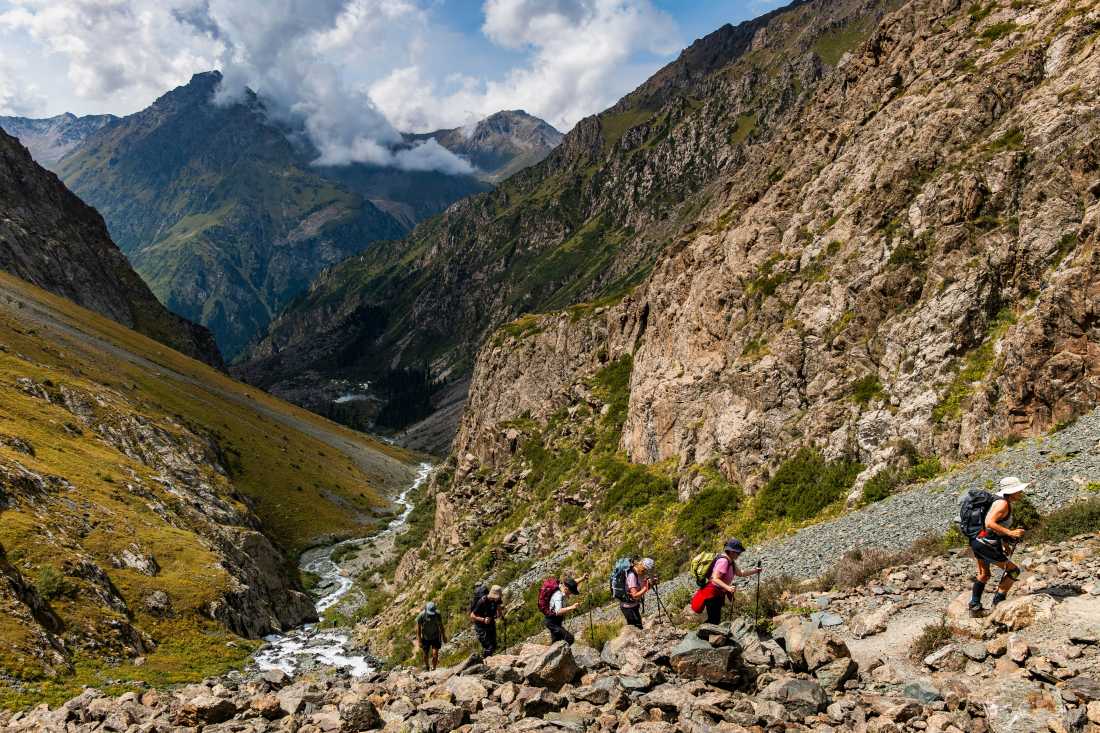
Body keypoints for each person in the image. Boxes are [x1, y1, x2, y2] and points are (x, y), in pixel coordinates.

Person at [968, 477, 1027, 617]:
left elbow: (991, 526)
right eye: (1018, 490)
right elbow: (990, 523)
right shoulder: (1003, 504)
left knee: (984, 574)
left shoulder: (996, 501)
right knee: (1014, 571)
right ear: (1010, 492)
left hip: (977, 540)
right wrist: (1010, 533)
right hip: (986, 544)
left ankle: (975, 607)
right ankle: (998, 605)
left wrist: (1004, 543)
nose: (1021, 492)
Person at [705, 538, 761, 625]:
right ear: (731, 551)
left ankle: (705, 635)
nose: (739, 555)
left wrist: (755, 571)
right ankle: (701, 636)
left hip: (718, 594)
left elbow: (741, 573)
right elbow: (714, 578)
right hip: (712, 594)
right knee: (714, 620)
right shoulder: (724, 561)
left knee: (714, 619)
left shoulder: (731, 562)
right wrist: (728, 587)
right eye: (738, 553)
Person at [469, 585, 504, 656]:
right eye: (498, 597)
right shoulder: (482, 601)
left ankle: (488, 660)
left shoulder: (497, 600)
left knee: (493, 645)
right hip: (480, 626)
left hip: (491, 624)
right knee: (488, 646)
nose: (498, 598)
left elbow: (499, 613)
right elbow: (472, 615)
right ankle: (485, 662)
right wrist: (483, 619)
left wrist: (496, 616)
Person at [544, 576, 581, 644]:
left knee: (556, 641)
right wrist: (572, 607)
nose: (571, 594)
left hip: (555, 621)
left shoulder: (563, 587)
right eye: (571, 592)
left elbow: (573, 583)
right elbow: (558, 611)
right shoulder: (558, 595)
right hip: (552, 622)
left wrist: (582, 578)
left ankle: (554, 653)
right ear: (566, 589)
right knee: (570, 639)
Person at [620, 557, 655, 628]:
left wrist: (650, 584)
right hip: (628, 607)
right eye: (644, 569)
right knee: (635, 628)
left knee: (639, 627)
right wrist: (646, 587)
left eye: (646, 570)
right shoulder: (632, 576)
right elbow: (635, 595)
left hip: (634, 604)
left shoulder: (638, 573)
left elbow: (641, 589)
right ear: (640, 564)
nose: (644, 571)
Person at [415, 601, 446, 671]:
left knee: (435, 654)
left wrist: (444, 636)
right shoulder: (421, 615)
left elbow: (441, 626)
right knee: (425, 655)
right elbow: (418, 629)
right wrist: (419, 641)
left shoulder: (437, 614)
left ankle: (434, 668)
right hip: (426, 638)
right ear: (426, 610)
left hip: (435, 636)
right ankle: (427, 666)